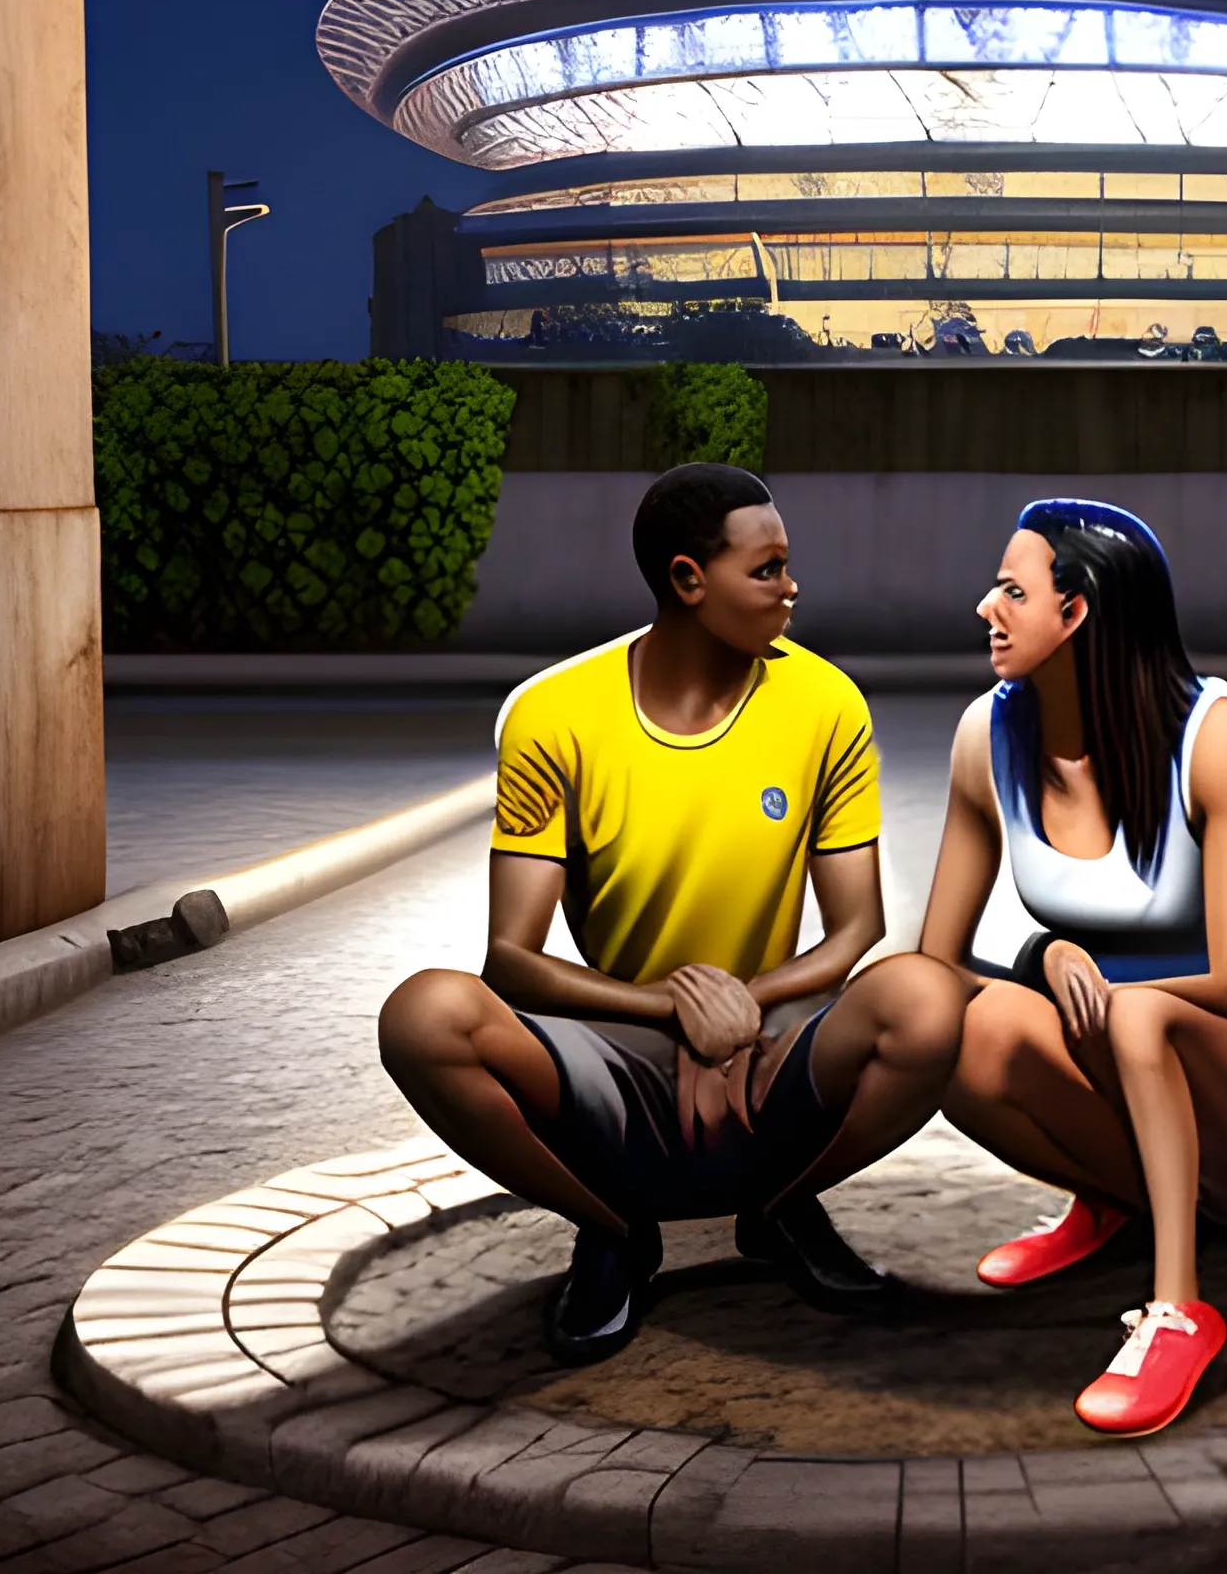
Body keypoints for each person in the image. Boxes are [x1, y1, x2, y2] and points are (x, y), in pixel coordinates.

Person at [378, 463, 968, 1362]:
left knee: (928, 998)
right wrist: (680, 1009)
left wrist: (749, 1009)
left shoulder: (825, 704)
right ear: (690, 580)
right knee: (423, 1015)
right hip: (615, 1035)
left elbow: (858, 930)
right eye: (766, 569)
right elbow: (512, 959)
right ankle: (614, 1229)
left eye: (788, 565)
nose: (791, 586)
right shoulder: (555, 713)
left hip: (774, 1026)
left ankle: (776, 1210)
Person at [918, 499, 1227, 1437]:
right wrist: (1045, 953)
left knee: (1136, 1016)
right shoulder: (984, 739)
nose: (985, 608)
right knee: (949, 1028)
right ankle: (1119, 1198)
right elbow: (937, 966)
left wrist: (1107, 989)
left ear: (1075, 612)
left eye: (1012, 589)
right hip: (1125, 1074)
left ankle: (1178, 1311)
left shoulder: (1214, 734)